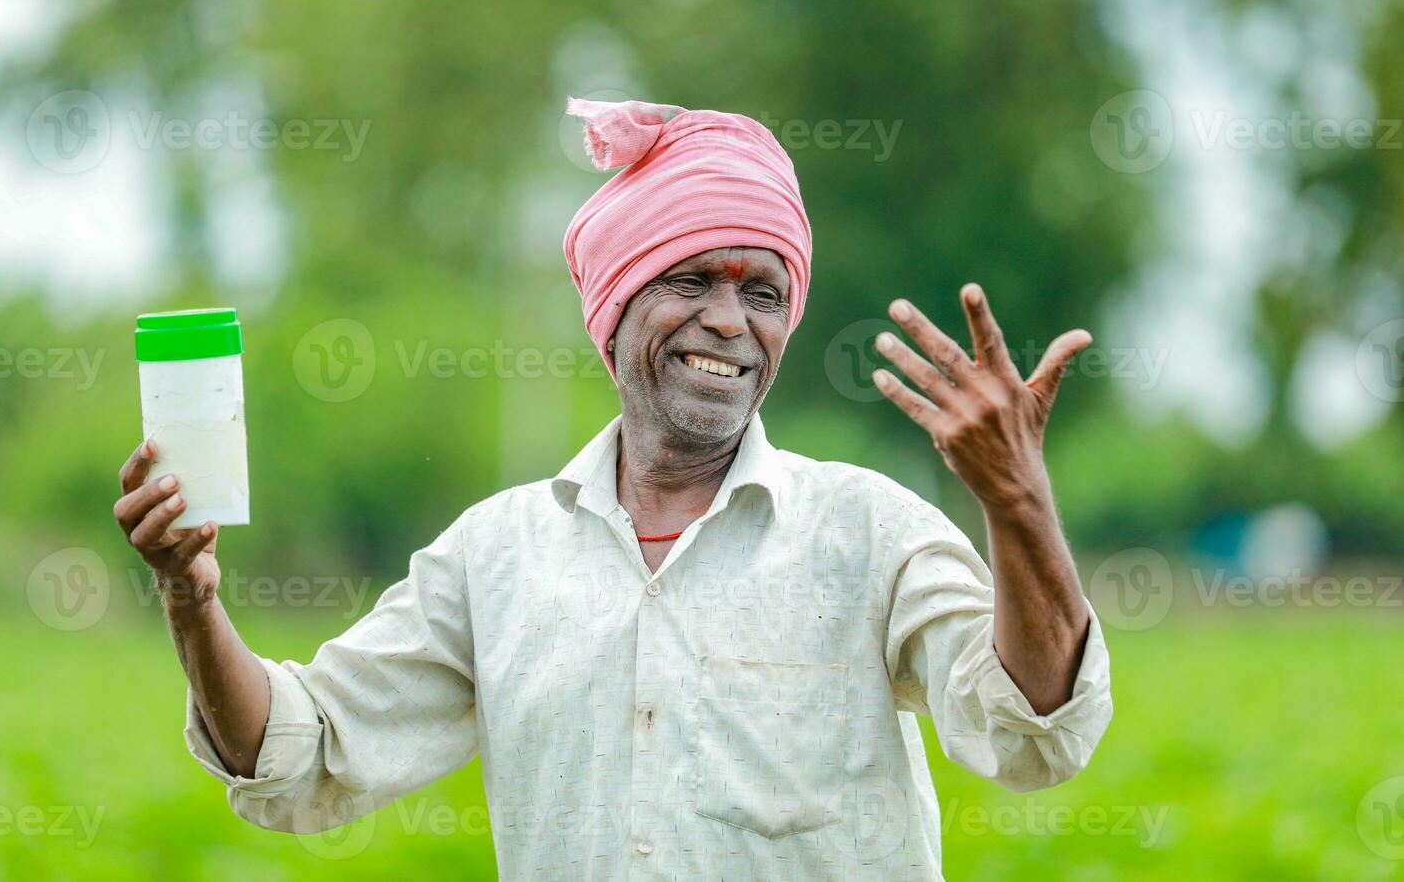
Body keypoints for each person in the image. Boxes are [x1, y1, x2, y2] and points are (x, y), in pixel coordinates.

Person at [113, 98, 1111, 880]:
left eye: (762, 292)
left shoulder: (868, 531)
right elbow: (299, 756)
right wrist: (190, 594)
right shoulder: (496, 554)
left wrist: (1018, 504)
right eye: (692, 281)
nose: (730, 320)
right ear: (614, 304)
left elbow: (1030, 733)